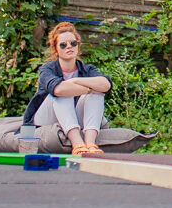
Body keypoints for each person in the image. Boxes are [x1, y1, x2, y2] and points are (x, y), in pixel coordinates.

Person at [22, 23, 111, 156]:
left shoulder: (87, 69)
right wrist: (89, 89)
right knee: (64, 93)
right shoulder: (47, 69)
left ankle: (90, 144)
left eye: (73, 43)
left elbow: (105, 85)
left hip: (72, 115)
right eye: (63, 45)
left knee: (97, 95)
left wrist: (75, 81)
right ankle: (77, 144)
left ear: (78, 46)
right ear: (56, 49)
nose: (69, 47)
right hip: (47, 117)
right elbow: (58, 90)